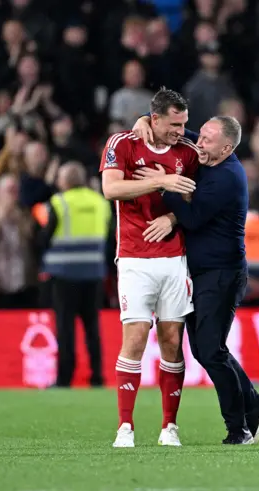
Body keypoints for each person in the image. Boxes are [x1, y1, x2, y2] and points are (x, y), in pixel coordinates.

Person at [132, 115, 259, 445]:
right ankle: (252, 402)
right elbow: (177, 132)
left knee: (210, 350)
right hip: (203, 273)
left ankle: (238, 428)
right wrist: (143, 121)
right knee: (206, 350)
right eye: (202, 135)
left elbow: (193, 219)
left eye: (208, 140)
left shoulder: (227, 178)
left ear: (226, 148)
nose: (199, 143)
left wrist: (163, 184)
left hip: (222, 275)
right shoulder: (207, 147)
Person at [100, 88, 198, 448]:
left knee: (172, 341)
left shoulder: (188, 152)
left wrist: (173, 215)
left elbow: (196, 198)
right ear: (154, 119)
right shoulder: (122, 143)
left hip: (174, 258)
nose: (181, 131)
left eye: (185, 123)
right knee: (137, 337)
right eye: (174, 124)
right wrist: (160, 180)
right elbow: (111, 189)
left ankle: (169, 426)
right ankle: (125, 426)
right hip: (134, 258)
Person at [39, 162, 111, 387]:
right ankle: (97, 377)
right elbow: (109, 238)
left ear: (66, 181)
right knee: (92, 328)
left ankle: (64, 378)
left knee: (65, 328)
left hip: (64, 276)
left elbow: (43, 239)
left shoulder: (59, 203)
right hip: (94, 274)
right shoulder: (101, 202)